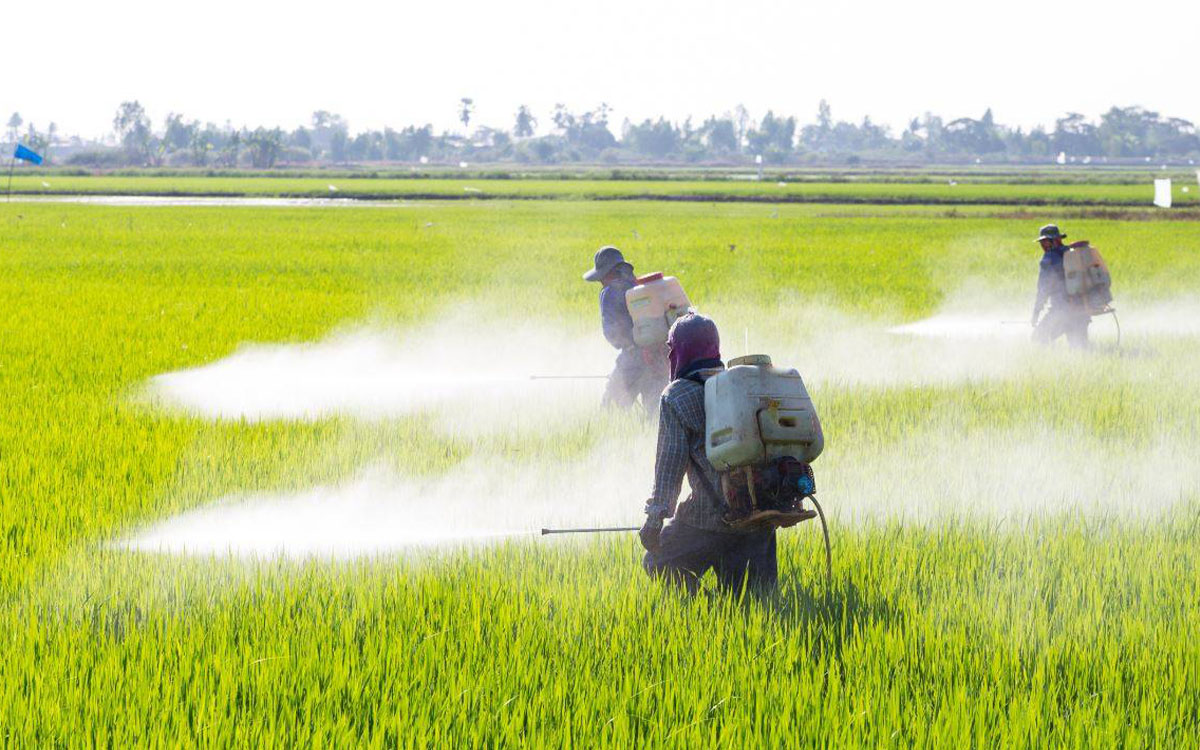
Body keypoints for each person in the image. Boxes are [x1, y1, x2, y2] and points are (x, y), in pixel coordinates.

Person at [639, 313, 778, 594]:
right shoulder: (742, 387)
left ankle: (707, 606)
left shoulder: (676, 396)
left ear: (680, 351)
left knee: (657, 561)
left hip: (706, 522)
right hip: (760, 518)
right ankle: (718, 614)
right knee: (757, 609)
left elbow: (669, 468)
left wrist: (654, 520)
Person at [582, 246, 669, 414]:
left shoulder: (608, 292)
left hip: (633, 358)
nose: (600, 281)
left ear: (607, 273)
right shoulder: (638, 286)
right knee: (655, 415)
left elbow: (612, 333)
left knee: (610, 410)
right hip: (659, 356)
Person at [1031, 224, 1090, 349]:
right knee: (1080, 351)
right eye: (1042, 242)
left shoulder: (1049, 258)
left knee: (1038, 339)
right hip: (1083, 310)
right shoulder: (1073, 253)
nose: (1042, 245)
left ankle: (1052, 366)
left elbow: (1043, 288)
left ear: (1055, 240)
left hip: (1061, 312)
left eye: (1045, 242)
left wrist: (1036, 312)